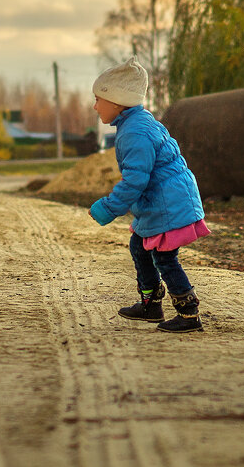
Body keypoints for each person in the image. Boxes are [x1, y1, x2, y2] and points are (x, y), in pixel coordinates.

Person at [88, 57, 210, 333]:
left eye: (98, 99)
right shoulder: (136, 124)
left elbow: (135, 181)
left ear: (117, 101)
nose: (95, 106)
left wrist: (107, 208)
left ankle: (189, 314)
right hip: (164, 200)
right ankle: (151, 303)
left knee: (164, 257)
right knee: (139, 245)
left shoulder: (135, 133)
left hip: (169, 202)